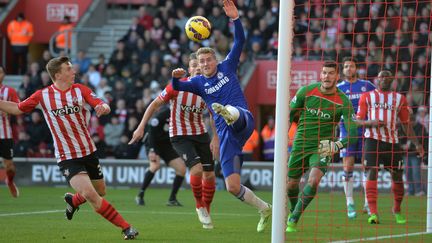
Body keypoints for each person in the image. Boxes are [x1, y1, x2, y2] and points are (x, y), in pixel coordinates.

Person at [0, 56, 138, 240]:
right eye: (69, 69)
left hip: (88, 151)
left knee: (100, 191)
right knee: (91, 195)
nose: (74, 72)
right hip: (67, 156)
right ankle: (126, 228)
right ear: (58, 74)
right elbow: (18, 108)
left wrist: (104, 107)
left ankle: (73, 201)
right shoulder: (42, 96)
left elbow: (99, 102)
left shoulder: (80, 90)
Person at [171, 0, 272, 233]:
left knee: (233, 115)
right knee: (232, 186)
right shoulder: (197, 82)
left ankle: (227, 112)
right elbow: (177, 87)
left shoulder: (228, 66)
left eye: (209, 60)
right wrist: (176, 77)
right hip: (228, 138)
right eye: (202, 62)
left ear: (216, 61)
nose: (205, 64)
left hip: (243, 120)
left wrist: (235, 19)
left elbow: (240, 41)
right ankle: (264, 208)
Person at [129, 53, 219, 229]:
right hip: (179, 134)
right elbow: (154, 105)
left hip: (200, 133)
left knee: (210, 175)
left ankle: (206, 209)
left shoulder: (208, 88)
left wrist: (215, 137)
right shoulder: (177, 86)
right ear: (189, 69)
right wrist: (140, 127)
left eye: (200, 64)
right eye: (194, 65)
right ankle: (199, 205)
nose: (198, 67)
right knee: (197, 169)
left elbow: (212, 115)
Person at [286, 61, 358, 232]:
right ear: (320, 74)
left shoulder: (343, 101)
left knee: (314, 180)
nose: (327, 76)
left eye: (331, 73)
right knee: (291, 185)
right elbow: (288, 115)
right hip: (300, 143)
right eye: (324, 73)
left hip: (322, 147)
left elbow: (353, 134)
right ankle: (294, 209)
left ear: (337, 76)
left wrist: (337, 145)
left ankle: (294, 218)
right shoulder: (306, 91)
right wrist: (283, 140)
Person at [356, 70, 424, 224]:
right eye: (381, 76)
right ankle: (373, 213)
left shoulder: (400, 99)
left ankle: (397, 209)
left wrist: (417, 144)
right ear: (377, 79)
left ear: (392, 80)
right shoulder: (367, 96)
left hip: (392, 142)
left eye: (387, 76)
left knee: (397, 177)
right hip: (372, 140)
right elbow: (357, 120)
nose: (384, 79)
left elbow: (406, 125)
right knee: (372, 173)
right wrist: (370, 123)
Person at [336, 57, 376, 218]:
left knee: (368, 167)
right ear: (343, 70)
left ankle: (367, 202)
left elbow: (378, 100)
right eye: (345, 66)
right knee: (348, 167)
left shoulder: (367, 85)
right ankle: (350, 203)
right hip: (347, 131)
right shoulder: (338, 88)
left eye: (351, 66)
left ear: (356, 68)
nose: (348, 69)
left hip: (366, 131)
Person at [133, 104, 187, 207]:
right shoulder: (164, 114)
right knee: (155, 166)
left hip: (166, 145)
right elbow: (151, 131)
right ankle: (140, 194)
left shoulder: (182, 116)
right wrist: (152, 150)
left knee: (182, 169)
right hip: (153, 142)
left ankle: (172, 199)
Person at [0, 65, 20, 197]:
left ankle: (10, 181)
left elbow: (19, 108)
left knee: (10, 167)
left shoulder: (10, 91)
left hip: (4, 134)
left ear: (4, 75)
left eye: (0, 72)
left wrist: (9, 110)